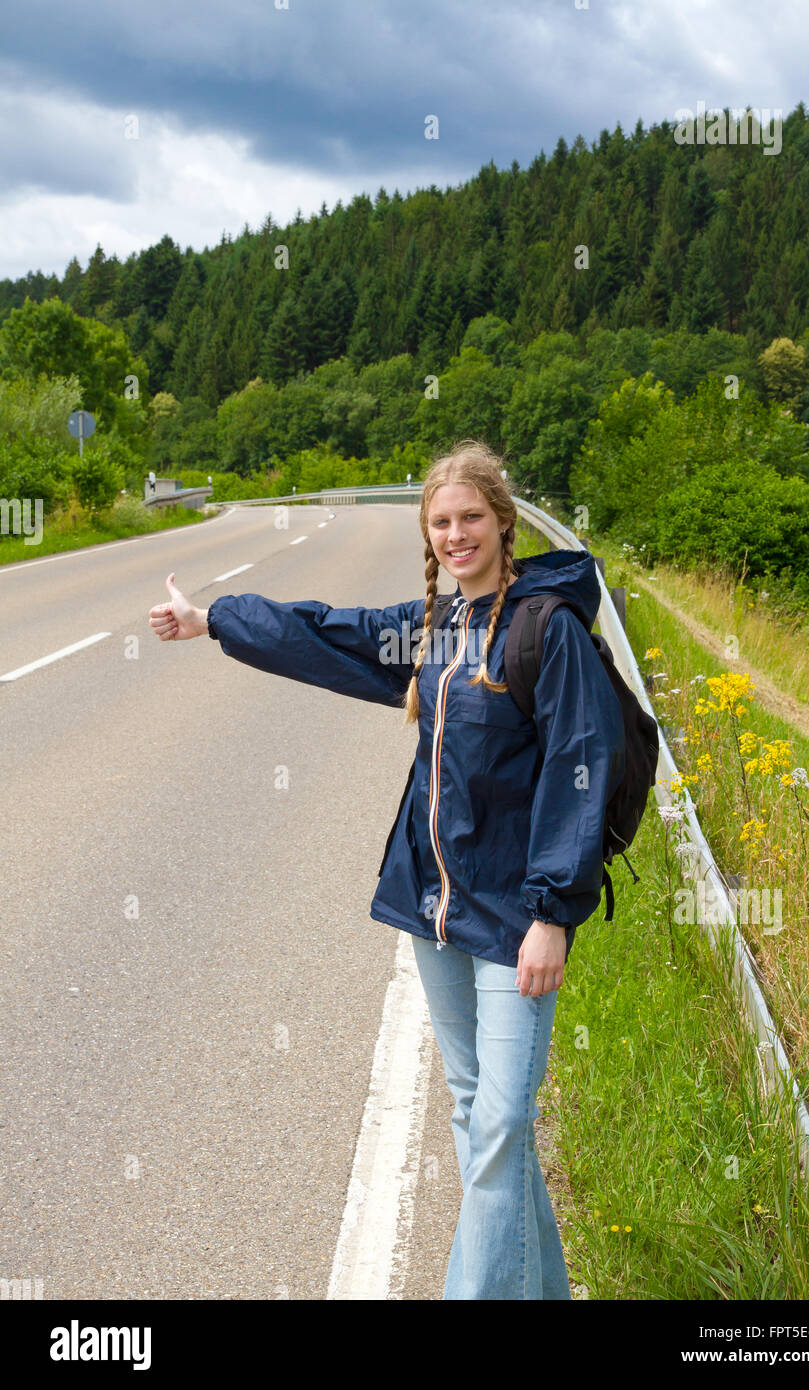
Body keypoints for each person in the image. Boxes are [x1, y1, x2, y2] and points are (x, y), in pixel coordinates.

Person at [148, 438, 625, 1300]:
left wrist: (554, 913)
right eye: (441, 522)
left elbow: (577, 769)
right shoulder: (435, 626)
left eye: (471, 517)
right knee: (482, 1119)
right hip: (433, 910)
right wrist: (215, 620)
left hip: (517, 918)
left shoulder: (545, 631)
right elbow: (328, 634)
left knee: (503, 1122)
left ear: (503, 521)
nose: (455, 534)